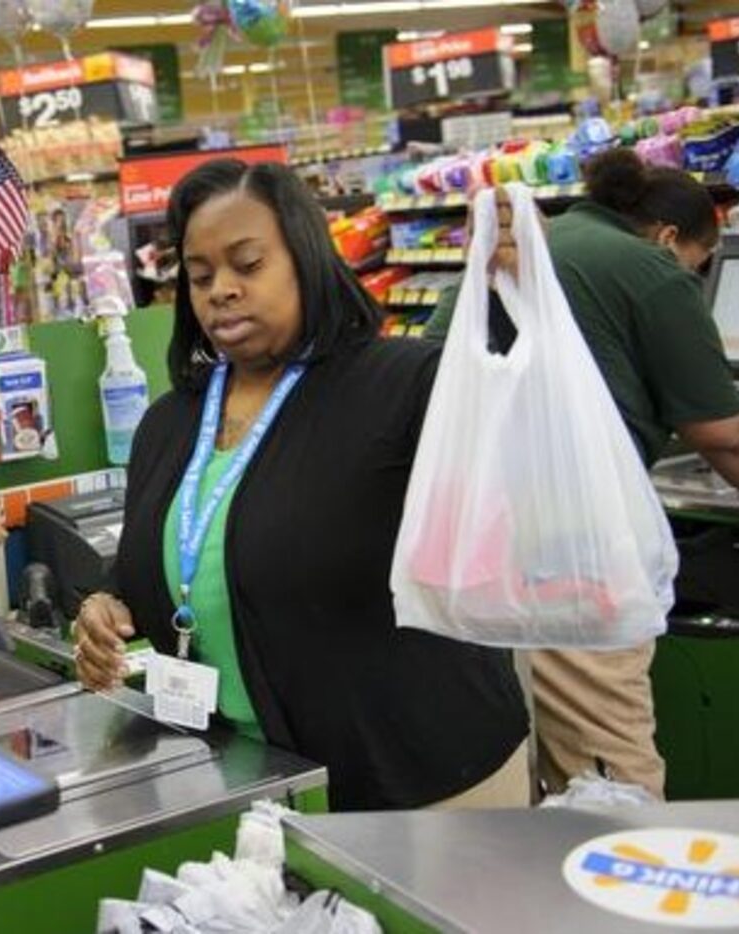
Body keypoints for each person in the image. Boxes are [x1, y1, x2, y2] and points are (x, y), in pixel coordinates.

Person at [73, 159, 531, 811]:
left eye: (247, 264)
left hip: (423, 783)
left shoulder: (404, 385)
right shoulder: (169, 424)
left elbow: (524, 438)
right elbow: (170, 563)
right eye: (200, 276)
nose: (220, 290)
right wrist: (108, 606)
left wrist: (517, 294)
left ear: (306, 260)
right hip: (253, 783)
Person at [425, 149, 739, 800]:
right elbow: (725, 436)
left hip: (467, 555)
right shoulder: (649, 269)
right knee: (608, 777)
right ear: (666, 237)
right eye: (699, 262)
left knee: (520, 773)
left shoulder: (517, 254)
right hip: (569, 551)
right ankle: (623, 891)